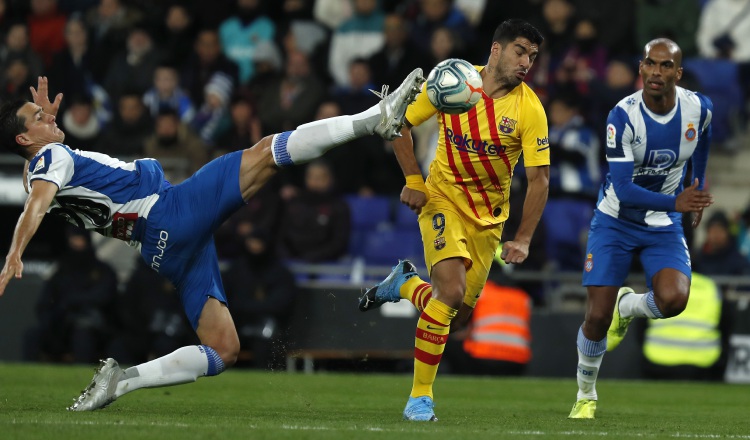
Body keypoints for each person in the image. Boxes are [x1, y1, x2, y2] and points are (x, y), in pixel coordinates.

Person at [0, 68, 424, 411]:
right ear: (24, 140)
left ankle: (121, 382)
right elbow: (35, 205)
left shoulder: (36, 167)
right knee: (266, 152)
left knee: (223, 349)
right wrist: (16, 251)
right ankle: (376, 117)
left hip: (158, 248)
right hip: (169, 212)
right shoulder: (49, 160)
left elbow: (37, 185)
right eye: (38, 119)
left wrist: (42, 121)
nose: (48, 117)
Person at [358, 19, 550, 421]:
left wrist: (524, 238)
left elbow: (539, 179)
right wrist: (414, 179)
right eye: (520, 51)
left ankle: (406, 284)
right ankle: (419, 398)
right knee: (449, 292)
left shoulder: (529, 108)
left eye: (532, 56)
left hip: (488, 221)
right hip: (443, 197)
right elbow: (397, 123)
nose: (526, 62)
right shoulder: (451, 81)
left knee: (455, 315)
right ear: (496, 50)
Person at [568, 38, 714, 420]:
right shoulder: (622, 116)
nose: (656, 72)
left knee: (674, 300)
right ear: (641, 68)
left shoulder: (698, 108)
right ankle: (586, 394)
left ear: (677, 74)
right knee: (597, 318)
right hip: (615, 220)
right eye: (651, 64)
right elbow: (624, 188)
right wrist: (677, 202)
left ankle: (628, 305)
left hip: (662, 224)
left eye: (666, 66)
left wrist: (698, 184)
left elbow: (704, 139)